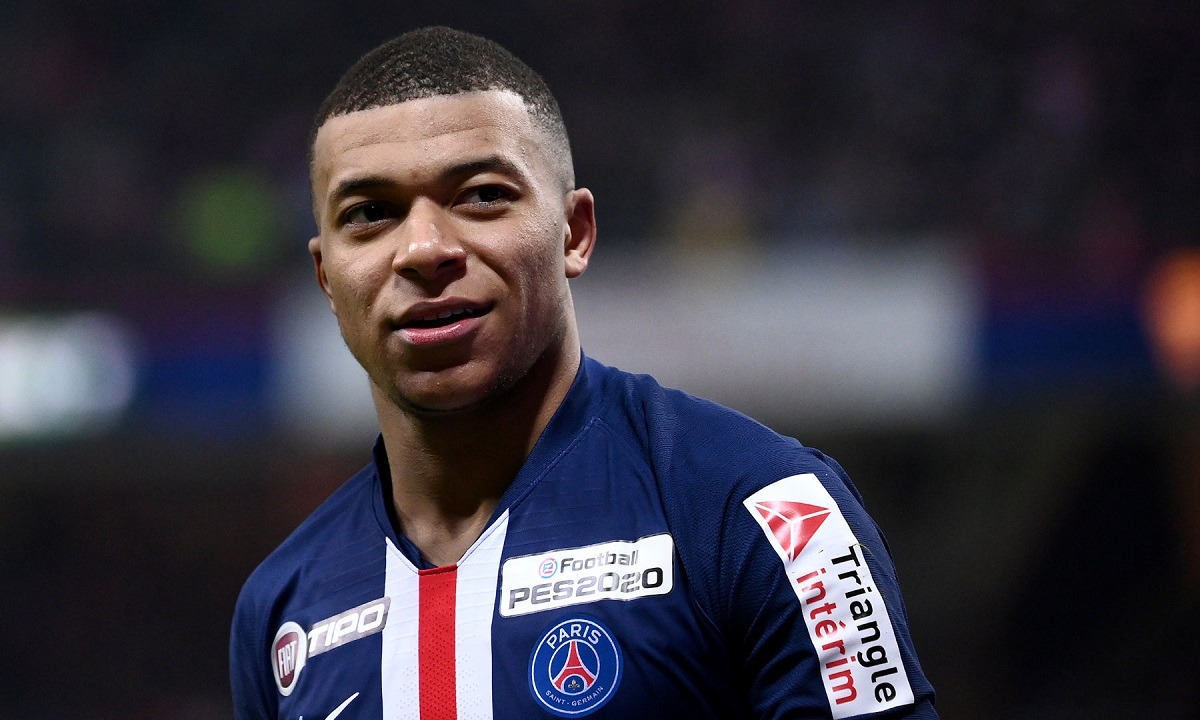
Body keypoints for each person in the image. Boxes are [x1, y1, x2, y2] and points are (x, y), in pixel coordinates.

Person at [230, 26, 937, 719]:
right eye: (370, 213)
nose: (423, 249)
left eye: (481, 195)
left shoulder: (768, 514)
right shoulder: (280, 612)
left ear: (575, 233)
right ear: (327, 278)